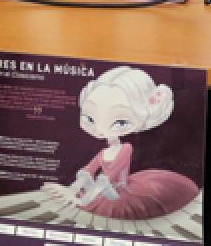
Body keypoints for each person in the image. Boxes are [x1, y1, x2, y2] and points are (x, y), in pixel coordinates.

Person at [42, 66, 199, 219]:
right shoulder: (103, 153)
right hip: (102, 190)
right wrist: (70, 191)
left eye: (121, 121)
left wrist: (83, 200)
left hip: (118, 192)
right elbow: (88, 171)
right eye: (90, 119)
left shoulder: (125, 148)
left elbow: (108, 179)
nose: (101, 129)